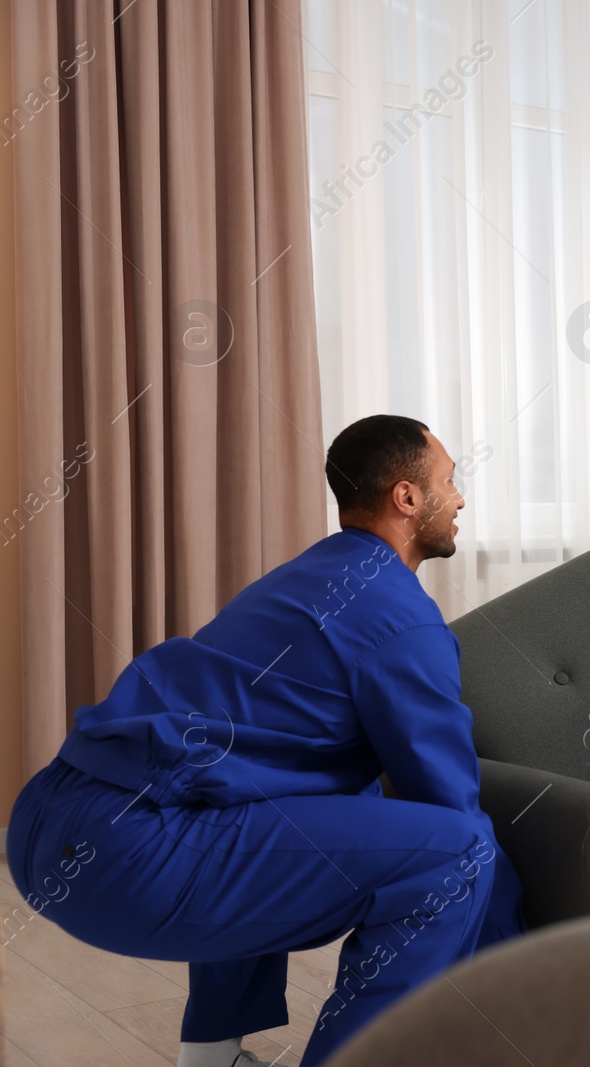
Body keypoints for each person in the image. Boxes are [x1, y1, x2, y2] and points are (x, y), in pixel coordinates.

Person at [6, 415, 526, 1067]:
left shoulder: (299, 580)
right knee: (457, 856)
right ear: (407, 497)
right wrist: (524, 955)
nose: (460, 498)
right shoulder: (401, 620)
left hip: (44, 822)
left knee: (301, 807)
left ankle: (212, 1056)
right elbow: (451, 807)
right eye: (450, 481)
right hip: (126, 853)